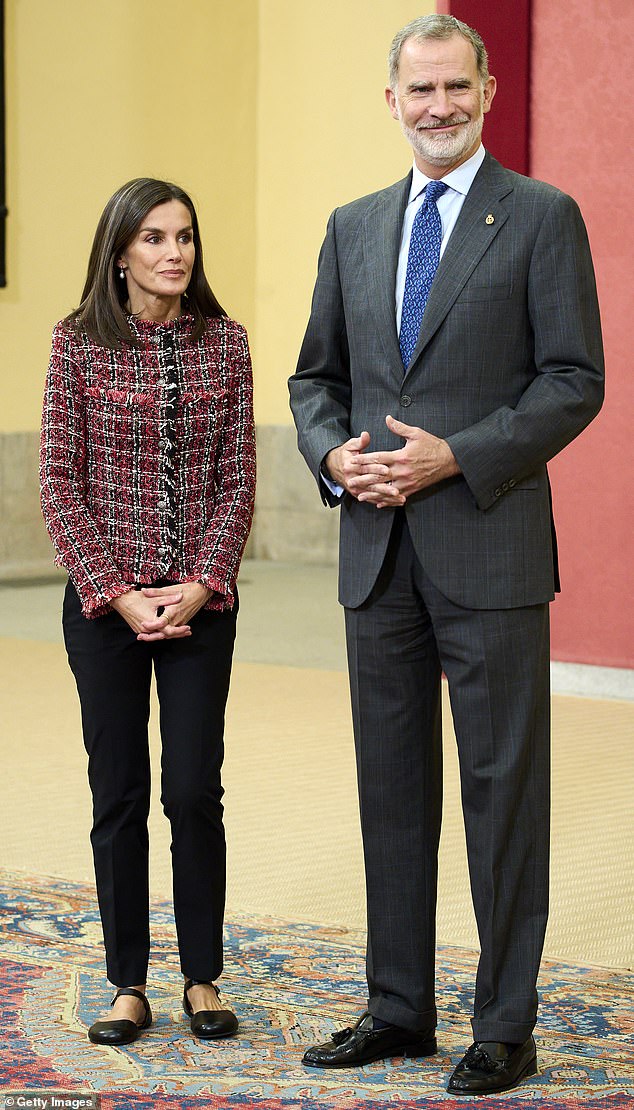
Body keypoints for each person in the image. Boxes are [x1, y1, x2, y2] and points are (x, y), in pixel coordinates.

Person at [289, 14, 603, 1097]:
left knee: (500, 788)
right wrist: (336, 458)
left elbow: (573, 380)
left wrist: (452, 458)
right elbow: (313, 380)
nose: (437, 107)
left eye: (454, 88)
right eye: (417, 90)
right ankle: (397, 1009)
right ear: (391, 100)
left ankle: (505, 1025)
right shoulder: (353, 225)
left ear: (488, 88)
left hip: (491, 546)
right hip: (375, 553)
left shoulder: (541, 218)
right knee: (390, 790)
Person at [40, 178, 256, 1045]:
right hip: (106, 610)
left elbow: (238, 478)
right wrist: (121, 595)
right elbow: (59, 482)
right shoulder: (76, 345)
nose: (175, 253)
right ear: (120, 251)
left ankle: (202, 977)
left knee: (194, 790)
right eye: (156, 237)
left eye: (186, 237)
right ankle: (128, 982)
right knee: (119, 792)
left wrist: (202, 584)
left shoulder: (226, 343)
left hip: (202, 604)